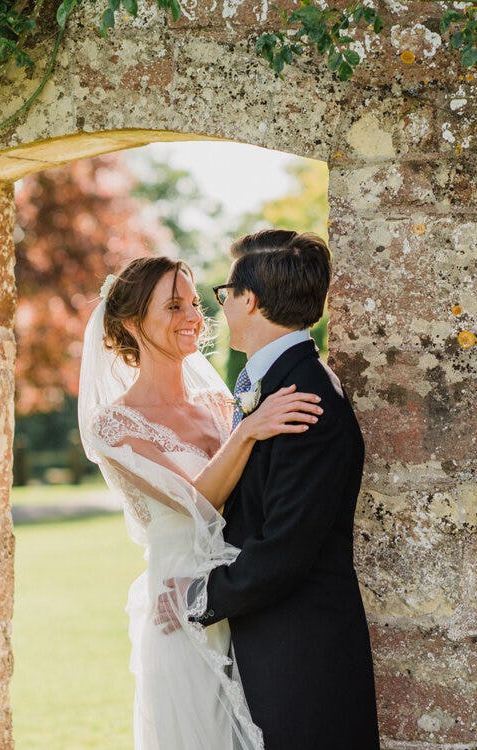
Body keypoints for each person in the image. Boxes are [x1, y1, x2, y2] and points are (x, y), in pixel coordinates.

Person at [77, 255, 322, 750]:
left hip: (248, 594)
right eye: (173, 306)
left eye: (194, 302)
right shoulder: (114, 426)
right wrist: (249, 431)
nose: (194, 316)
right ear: (130, 323)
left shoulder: (219, 404)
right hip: (179, 604)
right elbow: (197, 503)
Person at [175, 229, 381, 748]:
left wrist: (196, 597)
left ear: (250, 299)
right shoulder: (281, 385)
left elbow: (286, 549)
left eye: (225, 295)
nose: (221, 308)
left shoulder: (305, 400)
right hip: (276, 643)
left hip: (302, 658)